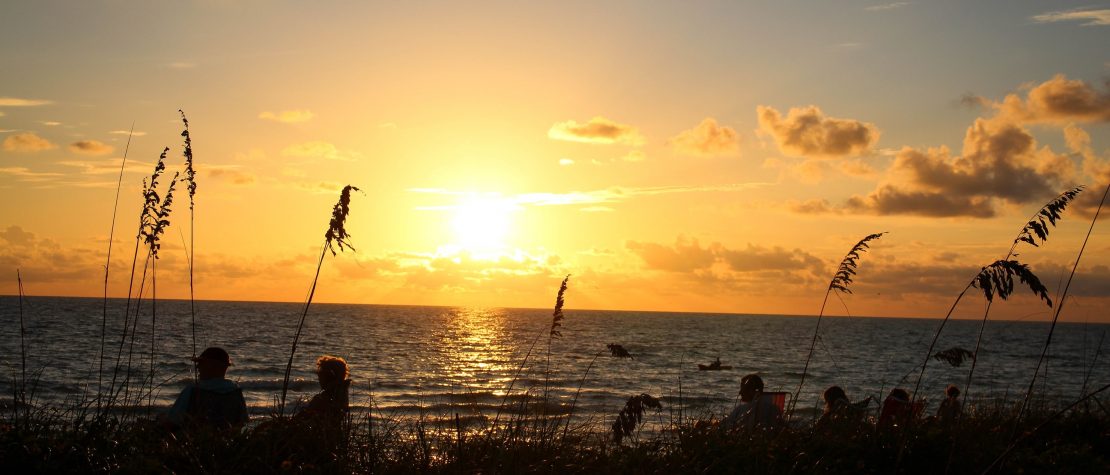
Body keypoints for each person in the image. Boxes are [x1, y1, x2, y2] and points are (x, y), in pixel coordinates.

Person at [164, 347, 248, 430]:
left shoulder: (192, 390)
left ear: (212, 365)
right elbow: (242, 422)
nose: (197, 367)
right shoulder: (236, 391)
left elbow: (172, 421)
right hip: (228, 441)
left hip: (194, 441)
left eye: (201, 363)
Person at [295, 355, 352, 444]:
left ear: (330, 376)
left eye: (320, 373)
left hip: (318, 441)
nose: (318, 377)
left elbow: (303, 420)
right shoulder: (341, 394)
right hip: (334, 440)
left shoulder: (324, 399)